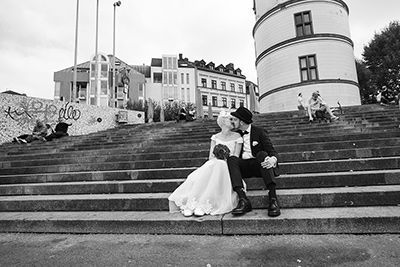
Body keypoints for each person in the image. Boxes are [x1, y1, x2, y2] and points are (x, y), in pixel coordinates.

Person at [168, 110, 243, 217]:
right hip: (215, 164)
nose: (233, 121)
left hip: (229, 166)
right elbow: (210, 157)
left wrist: (225, 158)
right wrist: (219, 157)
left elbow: (236, 156)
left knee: (220, 165)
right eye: (230, 119)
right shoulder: (215, 137)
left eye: (233, 119)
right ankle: (193, 204)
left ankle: (205, 205)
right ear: (222, 121)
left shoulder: (237, 136)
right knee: (213, 165)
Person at [227, 106, 281, 217]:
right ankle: (243, 199)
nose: (233, 122)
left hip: (259, 165)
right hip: (244, 166)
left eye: (235, 119)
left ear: (241, 122)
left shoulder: (259, 132)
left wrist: (273, 159)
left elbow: (272, 151)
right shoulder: (236, 135)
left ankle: (273, 198)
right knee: (232, 159)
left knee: (263, 154)